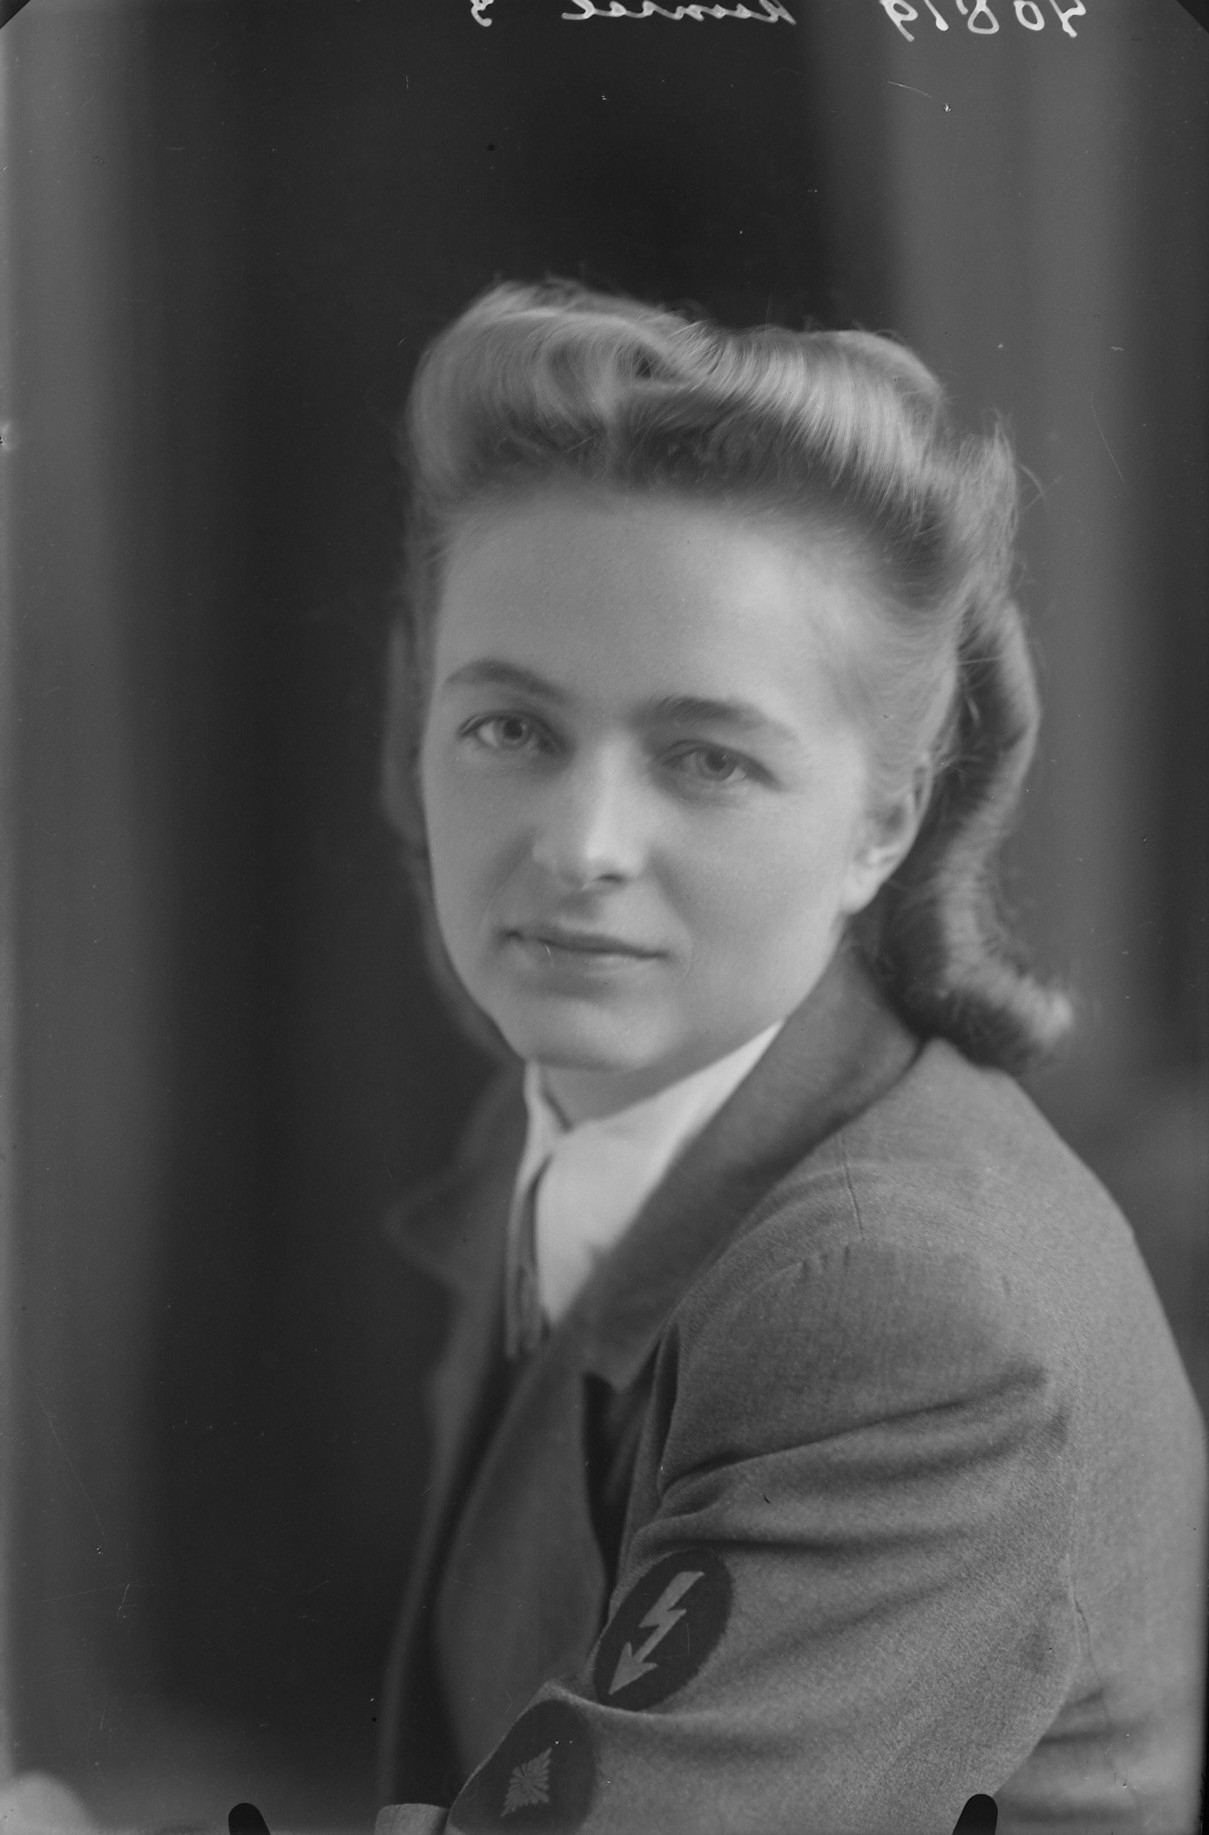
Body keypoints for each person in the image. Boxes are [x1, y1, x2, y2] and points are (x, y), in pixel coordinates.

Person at [372, 282, 1206, 1835]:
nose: (581, 845)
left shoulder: (914, 1309)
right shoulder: (566, 1130)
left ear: (882, 822)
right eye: (511, 730)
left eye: (704, 758)